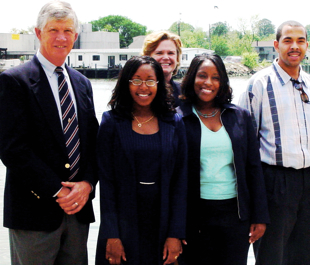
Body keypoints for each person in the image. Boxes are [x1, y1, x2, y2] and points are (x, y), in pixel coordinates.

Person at [0, 1, 99, 264]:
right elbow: (13, 149)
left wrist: (87, 184)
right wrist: (59, 191)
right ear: (38, 32)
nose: (61, 37)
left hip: (78, 213)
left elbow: (92, 143)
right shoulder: (14, 81)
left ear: (75, 37)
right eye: (53, 29)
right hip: (34, 213)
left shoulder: (82, 83)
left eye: (67, 31)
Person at [239, 20, 310, 265]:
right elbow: (246, 145)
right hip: (273, 182)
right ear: (276, 45)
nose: (294, 46)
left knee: (305, 255)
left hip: (309, 182)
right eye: (288, 40)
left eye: (300, 41)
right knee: (271, 256)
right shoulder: (258, 84)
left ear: (307, 45)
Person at [95, 56, 187, 265]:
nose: (143, 87)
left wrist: (175, 233)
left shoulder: (174, 122)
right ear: (126, 83)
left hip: (162, 223)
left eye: (150, 80)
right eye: (136, 80)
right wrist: (112, 234)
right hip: (122, 223)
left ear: (159, 84)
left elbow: (180, 183)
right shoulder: (111, 122)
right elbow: (106, 183)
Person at [179, 54, 269, 265]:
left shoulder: (240, 116)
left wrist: (259, 216)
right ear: (192, 78)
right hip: (195, 215)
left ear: (223, 82)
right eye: (202, 76)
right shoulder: (178, 119)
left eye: (216, 77)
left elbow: (253, 168)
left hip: (235, 215)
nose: (208, 82)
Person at [142, 31, 183, 109]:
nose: (166, 57)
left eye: (171, 53)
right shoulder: (138, 91)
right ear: (147, 56)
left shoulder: (185, 93)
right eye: (159, 53)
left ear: (177, 58)